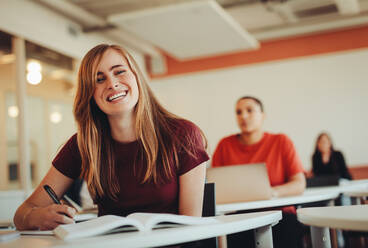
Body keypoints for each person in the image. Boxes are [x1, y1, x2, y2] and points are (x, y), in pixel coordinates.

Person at [14, 44, 209, 231]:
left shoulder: (183, 134)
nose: (112, 84)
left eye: (119, 72)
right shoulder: (82, 144)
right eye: (99, 79)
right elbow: (22, 214)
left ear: (136, 77)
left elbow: (191, 227)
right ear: (90, 93)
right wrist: (37, 216)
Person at [212, 96, 306, 248]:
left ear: (263, 115)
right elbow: (215, 187)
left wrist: (271, 192)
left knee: (289, 229)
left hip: (280, 216)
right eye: (238, 112)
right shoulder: (225, 145)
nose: (243, 116)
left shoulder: (281, 141)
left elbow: (299, 184)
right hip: (239, 218)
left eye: (250, 110)